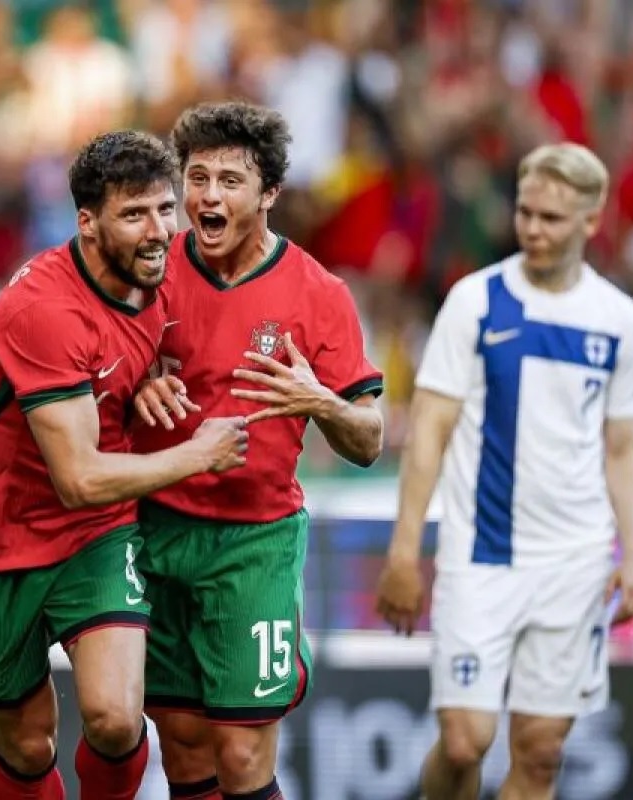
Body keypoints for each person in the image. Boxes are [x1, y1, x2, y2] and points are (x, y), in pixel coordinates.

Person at [0, 129, 249, 800]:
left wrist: (149, 378)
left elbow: (133, 352)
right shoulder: (43, 311)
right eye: (135, 215)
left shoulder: (160, 270)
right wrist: (197, 454)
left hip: (94, 537)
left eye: (165, 209)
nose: (159, 230)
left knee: (113, 716)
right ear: (87, 221)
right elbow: (77, 477)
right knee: (26, 738)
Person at [375, 142, 633, 800]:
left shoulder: (618, 320)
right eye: (525, 212)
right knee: (466, 741)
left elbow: (623, 447)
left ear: (591, 220)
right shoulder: (475, 302)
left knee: (541, 751)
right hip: (482, 554)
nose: (532, 228)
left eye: (551, 218)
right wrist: (405, 551)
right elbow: (430, 430)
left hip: (574, 563)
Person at [131, 101, 385, 800]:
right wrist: (133, 385)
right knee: (182, 749)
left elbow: (369, 437)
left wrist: (322, 402)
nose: (208, 196)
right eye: (198, 177)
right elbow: (90, 377)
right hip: (153, 527)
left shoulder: (318, 294)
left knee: (243, 754)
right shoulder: (145, 270)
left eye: (230, 181)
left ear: (269, 193)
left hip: (253, 542)